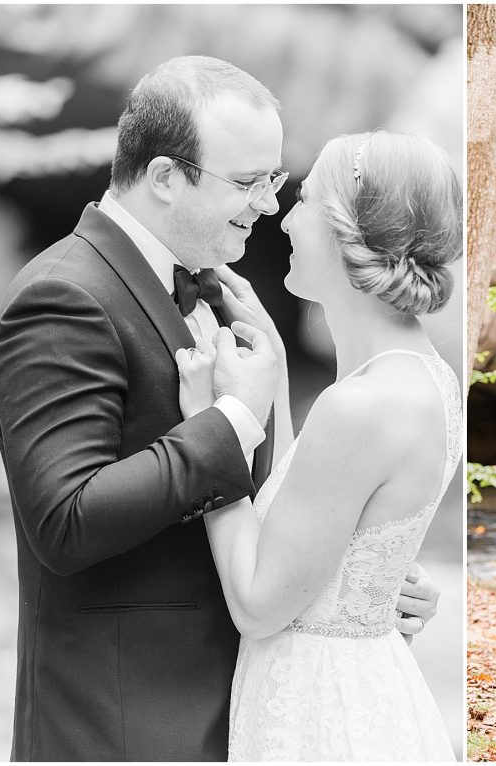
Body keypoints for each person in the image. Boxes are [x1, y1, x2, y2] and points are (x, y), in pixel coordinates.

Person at [0, 57, 437, 762]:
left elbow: (282, 506)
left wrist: (356, 576)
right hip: (127, 722)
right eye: (250, 181)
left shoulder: (222, 300)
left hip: (250, 710)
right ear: (166, 177)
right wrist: (229, 421)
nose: (268, 204)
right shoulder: (63, 299)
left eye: (277, 180)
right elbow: (64, 520)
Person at [174, 130, 462, 760]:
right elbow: (328, 526)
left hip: (319, 712)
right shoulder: (430, 380)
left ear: (344, 231)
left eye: (303, 199)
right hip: (365, 686)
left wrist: (211, 429)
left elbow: (256, 605)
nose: (284, 216)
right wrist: (273, 371)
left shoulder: (358, 406)